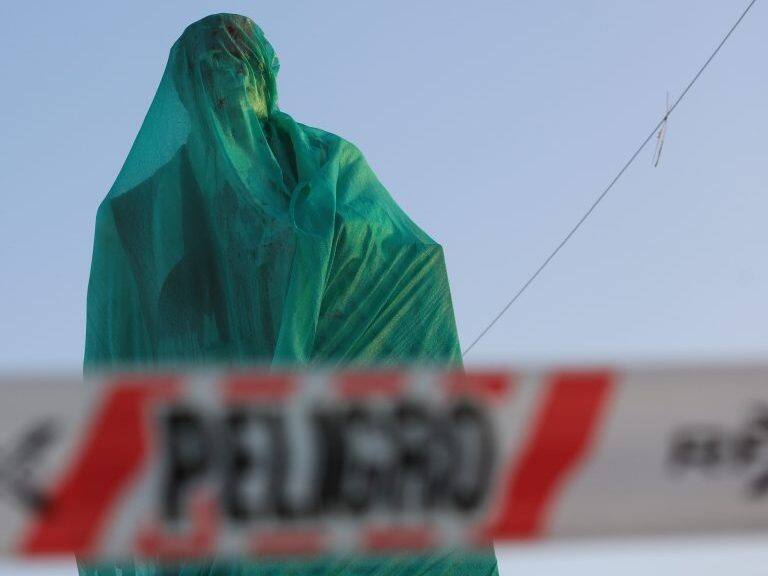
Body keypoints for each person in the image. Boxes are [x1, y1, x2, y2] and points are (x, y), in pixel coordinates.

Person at [84, 13, 498, 576]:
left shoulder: (325, 167)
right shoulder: (140, 219)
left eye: (239, 68)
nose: (226, 86)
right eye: (209, 73)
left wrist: (314, 251)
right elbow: (113, 376)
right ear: (186, 93)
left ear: (264, 78)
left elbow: (411, 262)